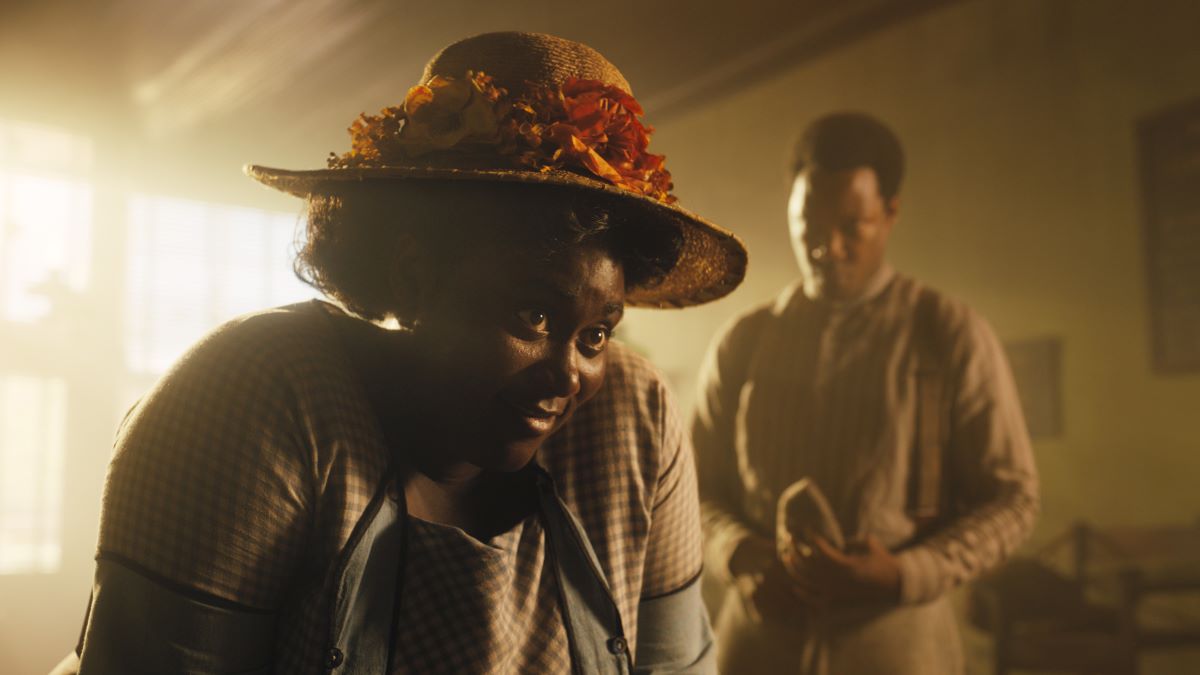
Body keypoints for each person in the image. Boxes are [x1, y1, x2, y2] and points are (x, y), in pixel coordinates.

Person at [56, 31, 747, 674]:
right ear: (415, 275)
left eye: (597, 334)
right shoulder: (259, 400)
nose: (568, 373)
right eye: (531, 311)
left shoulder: (634, 417)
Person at [692, 112, 1039, 674]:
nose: (827, 248)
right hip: (757, 649)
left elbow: (1013, 499)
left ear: (891, 213)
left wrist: (909, 573)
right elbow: (693, 491)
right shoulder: (744, 341)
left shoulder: (946, 333)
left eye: (852, 226)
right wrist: (743, 557)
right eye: (809, 227)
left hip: (901, 650)